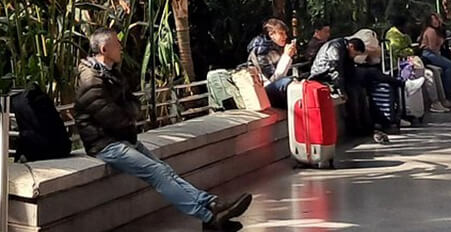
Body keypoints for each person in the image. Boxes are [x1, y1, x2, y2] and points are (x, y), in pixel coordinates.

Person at [75, 28, 252, 230]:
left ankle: (212, 204)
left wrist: (129, 113)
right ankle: (210, 218)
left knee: (166, 171)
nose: (121, 47)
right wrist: (129, 114)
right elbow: (111, 116)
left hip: (123, 138)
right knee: (157, 172)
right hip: (105, 144)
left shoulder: (110, 72)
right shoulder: (91, 79)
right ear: (105, 49)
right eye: (117, 43)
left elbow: (132, 104)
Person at [309, 36, 387, 142]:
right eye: (354, 53)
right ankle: (356, 127)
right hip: (323, 75)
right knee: (352, 93)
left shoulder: (346, 50)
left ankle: (367, 126)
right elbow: (335, 69)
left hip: (335, 76)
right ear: (351, 46)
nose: (354, 56)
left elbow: (348, 70)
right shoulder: (335, 48)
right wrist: (341, 90)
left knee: (360, 90)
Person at [386, 15, 450, 113]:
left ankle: (442, 99)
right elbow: (396, 51)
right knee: (429, 75)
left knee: (436, 71)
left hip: (413, 60)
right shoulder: (393, 35)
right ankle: (434, 102)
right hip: (402, 65)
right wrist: (413, 50)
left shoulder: (405, 34)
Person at [248, 18, 297, 109]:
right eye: (281, 33)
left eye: (285, 33)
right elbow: (273, 79)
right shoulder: (261, 51)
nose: (285, 37)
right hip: (263, 91)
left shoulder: (275, 48)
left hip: (271, 88)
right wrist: (286, 56)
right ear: (271, 35)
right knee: (287, 83)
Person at [418, 13, 451, 101]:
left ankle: (447, 89)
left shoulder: (435, 31)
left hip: (432, 53)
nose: (435, 21)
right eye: (433, 20)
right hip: (429, 54)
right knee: (450, 65)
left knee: (448, 65)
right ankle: (448, 91)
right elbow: (433, 48)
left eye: (436, 19)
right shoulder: (431, 31)